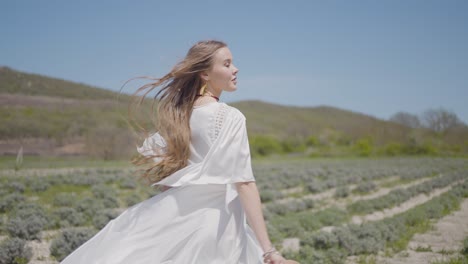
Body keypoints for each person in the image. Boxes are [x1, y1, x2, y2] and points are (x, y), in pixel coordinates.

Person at [60, 40, 297, 264]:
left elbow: (167, 180)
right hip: (218, 224)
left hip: (176, 214)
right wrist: (269, 251)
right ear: (204, 73)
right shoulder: (231, 117)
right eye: (226, 64)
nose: (235, 69)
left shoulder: (179, 116)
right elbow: (244, 183)